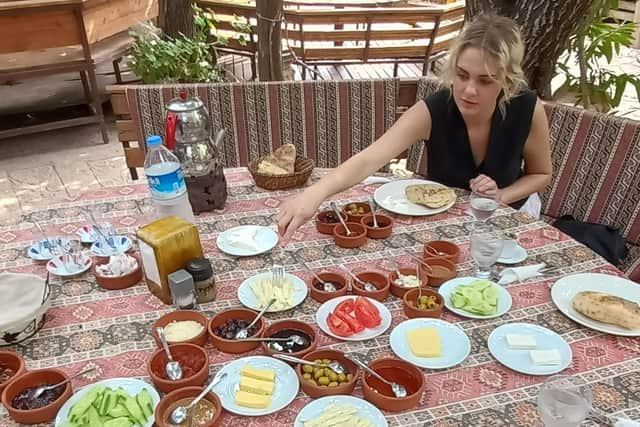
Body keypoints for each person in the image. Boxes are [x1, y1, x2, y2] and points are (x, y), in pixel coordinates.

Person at [277, 14, 552, 242]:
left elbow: (541, 174)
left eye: (485, 80)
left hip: (510, 218)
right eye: (462, 75)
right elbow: (368, 160)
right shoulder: (432, 111)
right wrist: (313, 194)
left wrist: (502, 195)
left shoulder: (528, 109)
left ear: (507, 81)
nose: (469, 90)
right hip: (444, 228)